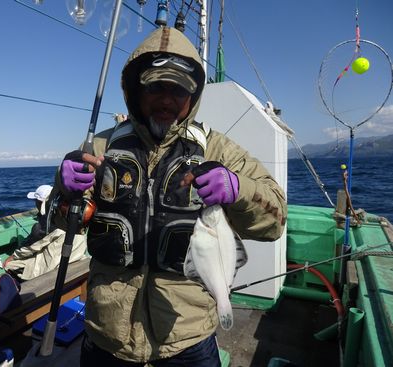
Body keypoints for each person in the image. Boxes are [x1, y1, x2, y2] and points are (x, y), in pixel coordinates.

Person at [51, 26, 287, 366]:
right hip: (106, 334)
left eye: (179, 90)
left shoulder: (218, 149)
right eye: (156, 86)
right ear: (136, 90)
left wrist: (239, 189)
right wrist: (63, 191)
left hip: (187, 338)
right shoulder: (99, 148)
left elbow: (275, 220)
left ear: (193, 96)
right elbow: (60, 221)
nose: (166, 99)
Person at [2, 184, 87, 280]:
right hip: (76, 259)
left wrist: (12, 257)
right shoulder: (75, 217)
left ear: (40, 203)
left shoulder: (46, 224)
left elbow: (28, 249)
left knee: (9, 265)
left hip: (55, 269)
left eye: (36, 201)